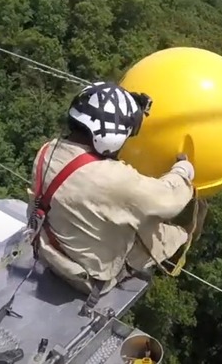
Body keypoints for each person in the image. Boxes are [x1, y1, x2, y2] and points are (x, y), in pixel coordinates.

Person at [27, 81, 198, 297]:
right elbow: (169, 200)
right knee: (167, 233)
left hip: (48, 251)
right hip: (85, 277)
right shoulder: (113, 178)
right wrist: (182, 171)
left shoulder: (48, 150)